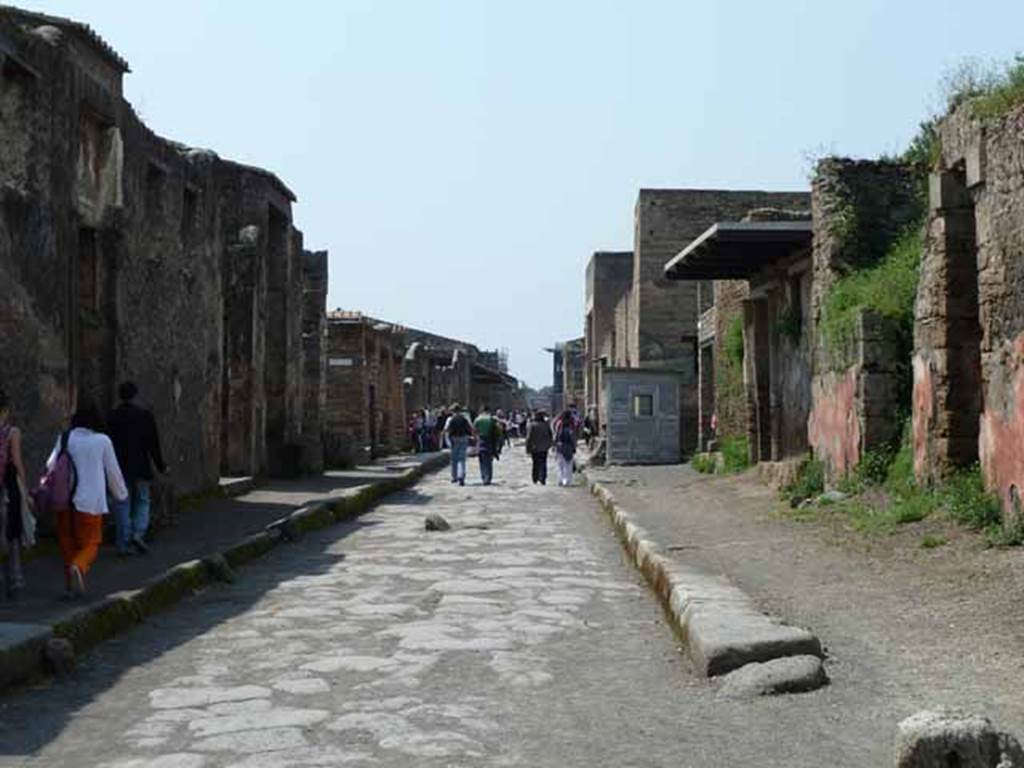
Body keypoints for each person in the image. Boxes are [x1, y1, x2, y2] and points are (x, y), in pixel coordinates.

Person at [50, 398, 128, 597]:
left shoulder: (65, 438)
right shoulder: (102, 441)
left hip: (64, 501)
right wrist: (121, 495)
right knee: (90, 543)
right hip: (89, 502)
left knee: (68, 543)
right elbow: (113, 473)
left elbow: (51, 466)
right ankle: (79, 566)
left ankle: (70, 587)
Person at [108, 382, 167, 556]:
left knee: (122, 501)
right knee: (142, 500)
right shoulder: (145, 416)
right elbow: (153, 444)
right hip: (141, 464)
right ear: (135, 395)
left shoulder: (112, 416)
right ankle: (138, 533)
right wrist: (161, 465)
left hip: (119, 465)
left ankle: (123, 540)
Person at [0, 388, 34, 598]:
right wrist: (26, 489)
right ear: (5, 409)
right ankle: (15, 580)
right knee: (12, 534)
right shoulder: (11, 432)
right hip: (7, 488)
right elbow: (17, 461)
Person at [442, 404, 473, 486]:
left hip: (454, 439)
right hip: (463, 438)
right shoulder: (465, 418)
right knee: (462, 459)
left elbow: (446, 430)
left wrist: (445, 439)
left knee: (453, 459)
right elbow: (470, 428)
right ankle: (461, 476)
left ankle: (454, 477)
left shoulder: (450, 419)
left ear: (452, 411)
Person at [473, 405, 503, 486]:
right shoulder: (492, 419)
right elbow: (499, 429)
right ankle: (488, 477)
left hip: (481, 440)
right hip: (490, 440)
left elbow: (474, 431)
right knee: (489, 461)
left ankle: (483, 477)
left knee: (481, 460)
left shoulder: (478, 419)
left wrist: (476, 439)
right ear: (489, 411)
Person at [525, 410, 553, 485]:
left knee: (535, 463)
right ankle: (542, 478)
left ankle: (535, 478)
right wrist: (549, 445)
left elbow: (529, 437)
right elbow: (550, 435)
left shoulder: (532, 425)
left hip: (535, 448)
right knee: (543, 463)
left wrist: (527, 448)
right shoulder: (546, 425)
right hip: (544, 448)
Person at [554, 408, 577, 487]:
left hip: (560, 446)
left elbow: (556, 435)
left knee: (560, 464)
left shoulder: (559, 423)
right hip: (568, 446)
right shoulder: (571, 424)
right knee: (568, 464)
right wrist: (574, 447)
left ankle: (560, 480)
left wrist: (555, 445)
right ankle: (567, 481)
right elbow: (572, 437)